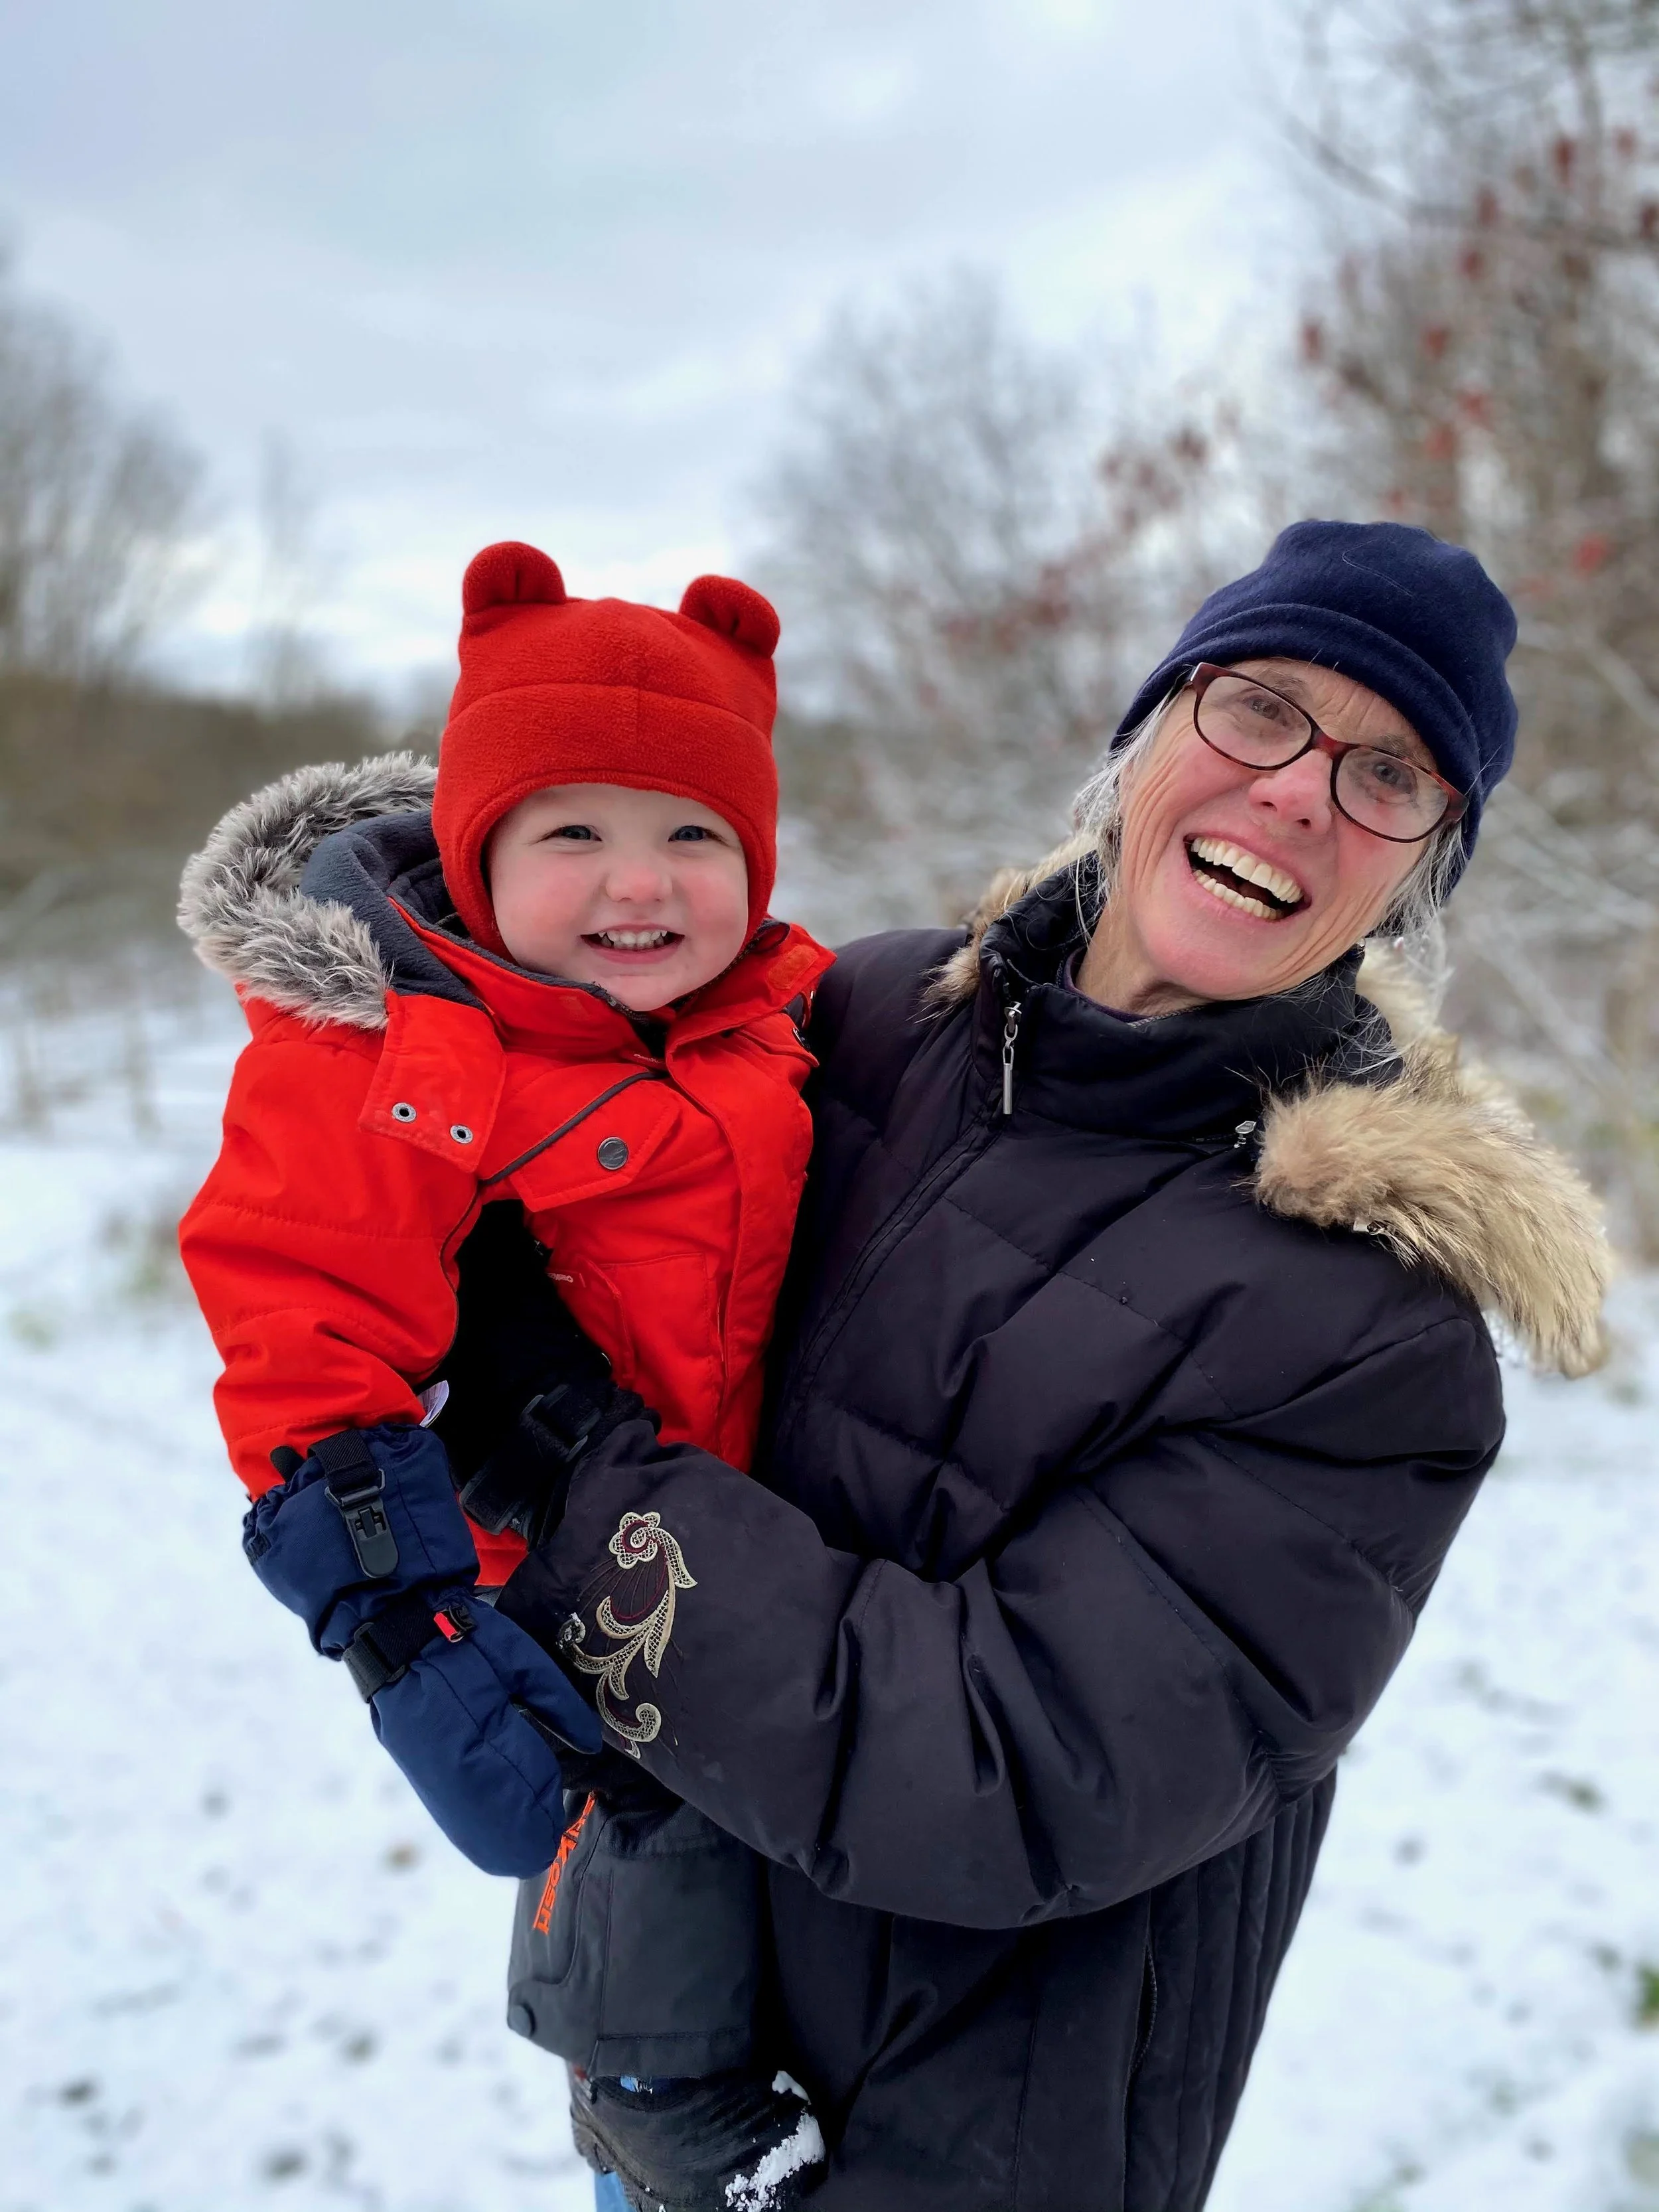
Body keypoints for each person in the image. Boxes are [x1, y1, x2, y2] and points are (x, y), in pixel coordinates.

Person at [443, 521, 1611, 2211]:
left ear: (1415, 875)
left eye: (1387, 778)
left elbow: (1005, 1765)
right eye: (1259, 708)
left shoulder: (1370, 1337)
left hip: (954, 2154)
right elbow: (542, 1077)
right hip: (664, 2059)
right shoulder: (861, 1023)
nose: (1298, 790)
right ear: (1147, 734)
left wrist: (556, 1453)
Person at [177, 542, 835, 2209]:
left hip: (738, 1526)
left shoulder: (771, 1016)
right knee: (621, 1821)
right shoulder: (396, 1053)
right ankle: (647, 2097)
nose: (640, 884)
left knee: (760, 1814)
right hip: (534, 1565)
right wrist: (405, 1626)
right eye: (574, 836)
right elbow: (304, 1324)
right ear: (477, 859)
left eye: (694, 836)